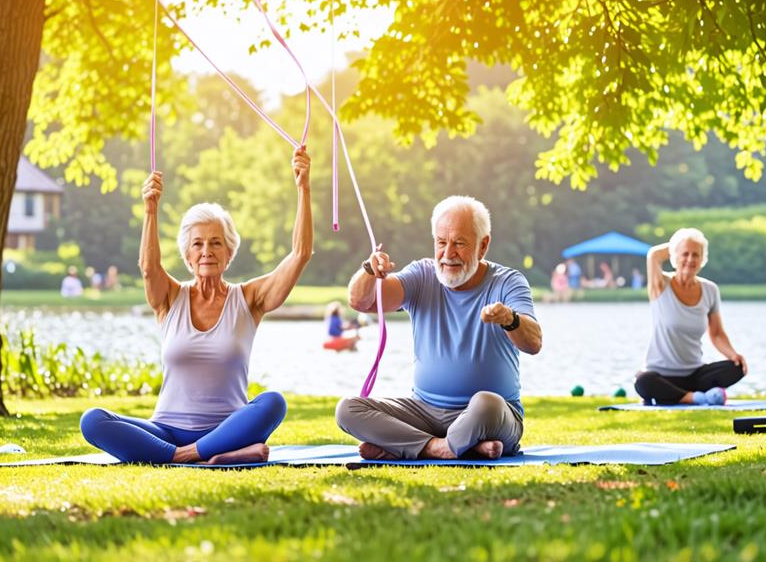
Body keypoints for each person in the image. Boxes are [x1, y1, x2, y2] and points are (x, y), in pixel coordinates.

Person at [79, 146, 313, 464]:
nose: (207, 251)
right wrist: (150, 209)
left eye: (216, 243)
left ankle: (191, 455)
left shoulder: (249, 299)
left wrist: (303, 187)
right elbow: (149, 268)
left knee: (273, 403)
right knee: (93, 420)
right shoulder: (169, 298)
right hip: (166, 430)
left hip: (229, 428)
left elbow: (299, 254)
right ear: (187, 256)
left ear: (229, 253)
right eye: (198, 244)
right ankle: (201, 456)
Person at [335, 196, 543, 461]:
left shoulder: (508, 281)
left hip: (492, 417)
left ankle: (413, 446)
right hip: (424, 413)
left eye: (459, 243)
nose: (448, 254)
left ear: (483, 245)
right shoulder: (421, 275)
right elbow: (360, 302)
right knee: (348, 409)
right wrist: (368, 270)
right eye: (441, 243)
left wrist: (509, 319)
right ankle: (447, 447)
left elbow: (534, 343)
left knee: (486, 403)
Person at [634, 228, 747, 406]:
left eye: (696, 255)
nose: (690, 259)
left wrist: (733, 354)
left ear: (702, 260)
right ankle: (696, 398)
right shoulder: (661, 285)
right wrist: (680, 242)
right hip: (660, 374)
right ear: (674, 257)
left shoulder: (710, 290)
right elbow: (654, 255)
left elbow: (716, 333)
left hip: (695, 375)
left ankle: (671, 396)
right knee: (643, 382)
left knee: (736, 368)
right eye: (685, 254)